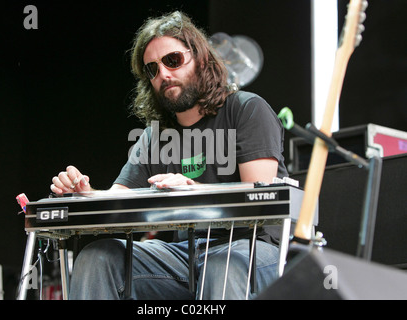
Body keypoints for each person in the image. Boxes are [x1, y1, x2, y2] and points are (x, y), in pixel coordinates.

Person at [50, 11, 288, 300]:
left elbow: (258, 203)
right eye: (152, 69)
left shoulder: (247, 109)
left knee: (221, 265)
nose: (163, 73)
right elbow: (118, 198)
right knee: (97, 257)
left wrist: (194, 191)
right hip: (188, 253)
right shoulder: (155, 135)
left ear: (200, 59)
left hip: (253, 249)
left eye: (172, 60)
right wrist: (85, 194)